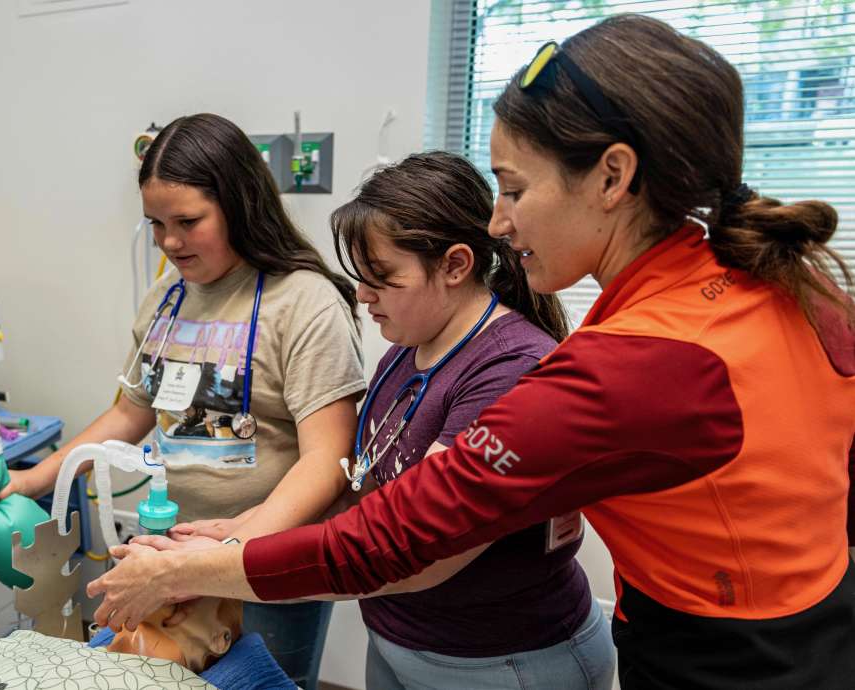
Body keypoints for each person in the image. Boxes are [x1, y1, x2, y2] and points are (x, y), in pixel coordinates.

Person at [87, 14, 855, 690]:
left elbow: (399, 541)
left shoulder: (629, 364)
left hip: (721, 660)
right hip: (808, 628)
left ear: (613, 176)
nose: (499, 223)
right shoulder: (785, 289)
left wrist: (187, 571)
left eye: (514, 189)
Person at [138, 151, 615, 689]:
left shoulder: (510, 370)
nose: (363, 295)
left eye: (381, 278)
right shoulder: (406, 352)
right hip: (398, 639)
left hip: (500, 660)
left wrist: (219, 569)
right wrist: (240, 532)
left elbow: (418, 553)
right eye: (360, 278)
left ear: (455, 266)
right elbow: (364, 491)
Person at [0, 113, 367, 686]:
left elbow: (328, 459)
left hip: (268, 563)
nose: (169, 242)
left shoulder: (305, 303)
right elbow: (130, 412)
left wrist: (231, 552)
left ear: (240, 205)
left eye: (188, 222)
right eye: (156, 223)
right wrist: (34, 479)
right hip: (173, 553)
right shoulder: (166, 300)